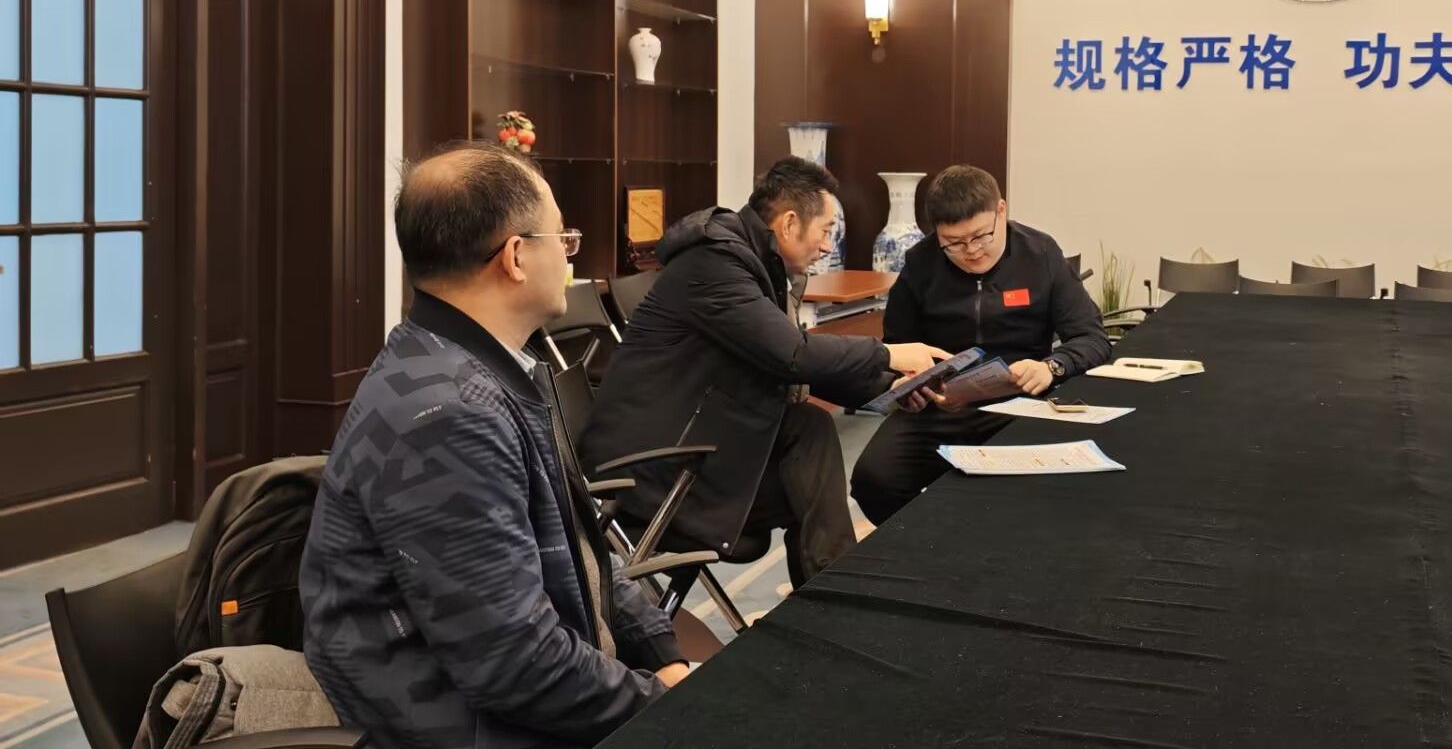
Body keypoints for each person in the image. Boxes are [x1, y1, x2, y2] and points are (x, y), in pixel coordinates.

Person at [301, 143, 688, 749]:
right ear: (515, 256)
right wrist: (666, 707)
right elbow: (516, 666)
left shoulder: (474, 366)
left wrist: (662, 652)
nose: (568, 254)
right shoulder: (447, 413)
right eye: (563, 238)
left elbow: (580, 548)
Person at [582, 157, 947, 588]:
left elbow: (784, 364)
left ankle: (830, 593)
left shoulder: (749, 262)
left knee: (807, 432)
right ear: (790, 223)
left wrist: (888, 388)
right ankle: (835, 595)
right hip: (654, 473)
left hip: (697, 447)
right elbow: (792, 353)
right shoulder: (713, 264)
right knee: (806, 467)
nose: (827, 246)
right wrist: (888, 353)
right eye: (826, 230)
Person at [851, 165, 1112, 525]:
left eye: (980, 236)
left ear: (1001, 211)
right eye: (954, 243)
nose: (971, 251)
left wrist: (1051, 367)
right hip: (941, 408)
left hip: (1022, 404)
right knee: (874, 479)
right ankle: (932, 544)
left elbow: (1092, 337)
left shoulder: (1040, 254)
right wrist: (909, 385)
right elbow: (896, 347)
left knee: (1030, 495)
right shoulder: (921, 263)